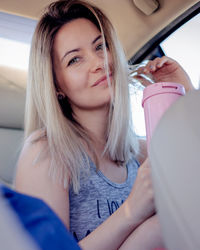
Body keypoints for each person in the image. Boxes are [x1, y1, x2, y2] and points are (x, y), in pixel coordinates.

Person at [15, 0, 194, 249]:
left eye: (101, 46)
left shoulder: (140, 153)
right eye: (74, 60)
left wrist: (184, 92)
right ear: (56, 86)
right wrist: (132, 210)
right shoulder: (47, 151)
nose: (98, 63)